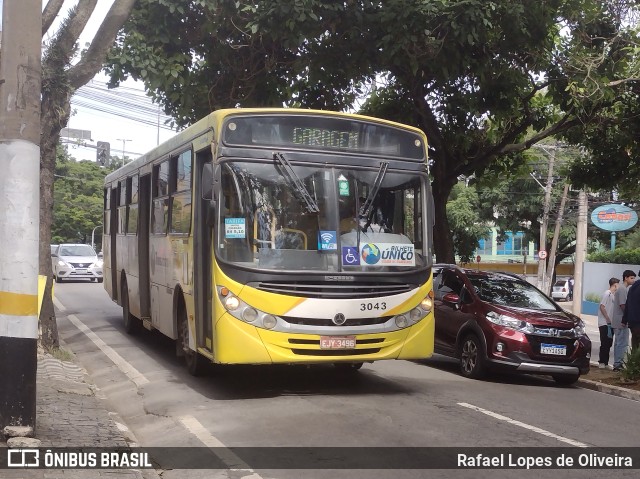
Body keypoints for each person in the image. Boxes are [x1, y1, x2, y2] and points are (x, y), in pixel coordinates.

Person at [612, 269, 636, 371]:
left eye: (634, 278)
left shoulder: (622, 289)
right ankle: (618, 364)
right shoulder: (622, 289)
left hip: (618, 320)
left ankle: (617, 364)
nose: (633, 280)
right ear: (625, 278)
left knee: (619, 343)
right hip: (621, 321)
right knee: (622, 343)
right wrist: (628, 316)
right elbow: (623, 305)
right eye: (631, 278)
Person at [597, 277, 619, 368]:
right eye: (618, 285)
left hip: (610, 324)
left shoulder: (613, 295)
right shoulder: (607, 294)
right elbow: (602, 306)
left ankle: (605, 362)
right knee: (604, 342)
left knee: (609, 343)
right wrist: (607, 318)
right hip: (604, 323)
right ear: (614, 285)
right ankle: (601, 362)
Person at [622, 269, 640, 351]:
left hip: (633, 323)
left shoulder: (633, 287)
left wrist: (624, 320)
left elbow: (627, 305)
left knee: (635, 347)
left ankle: (633, 363)